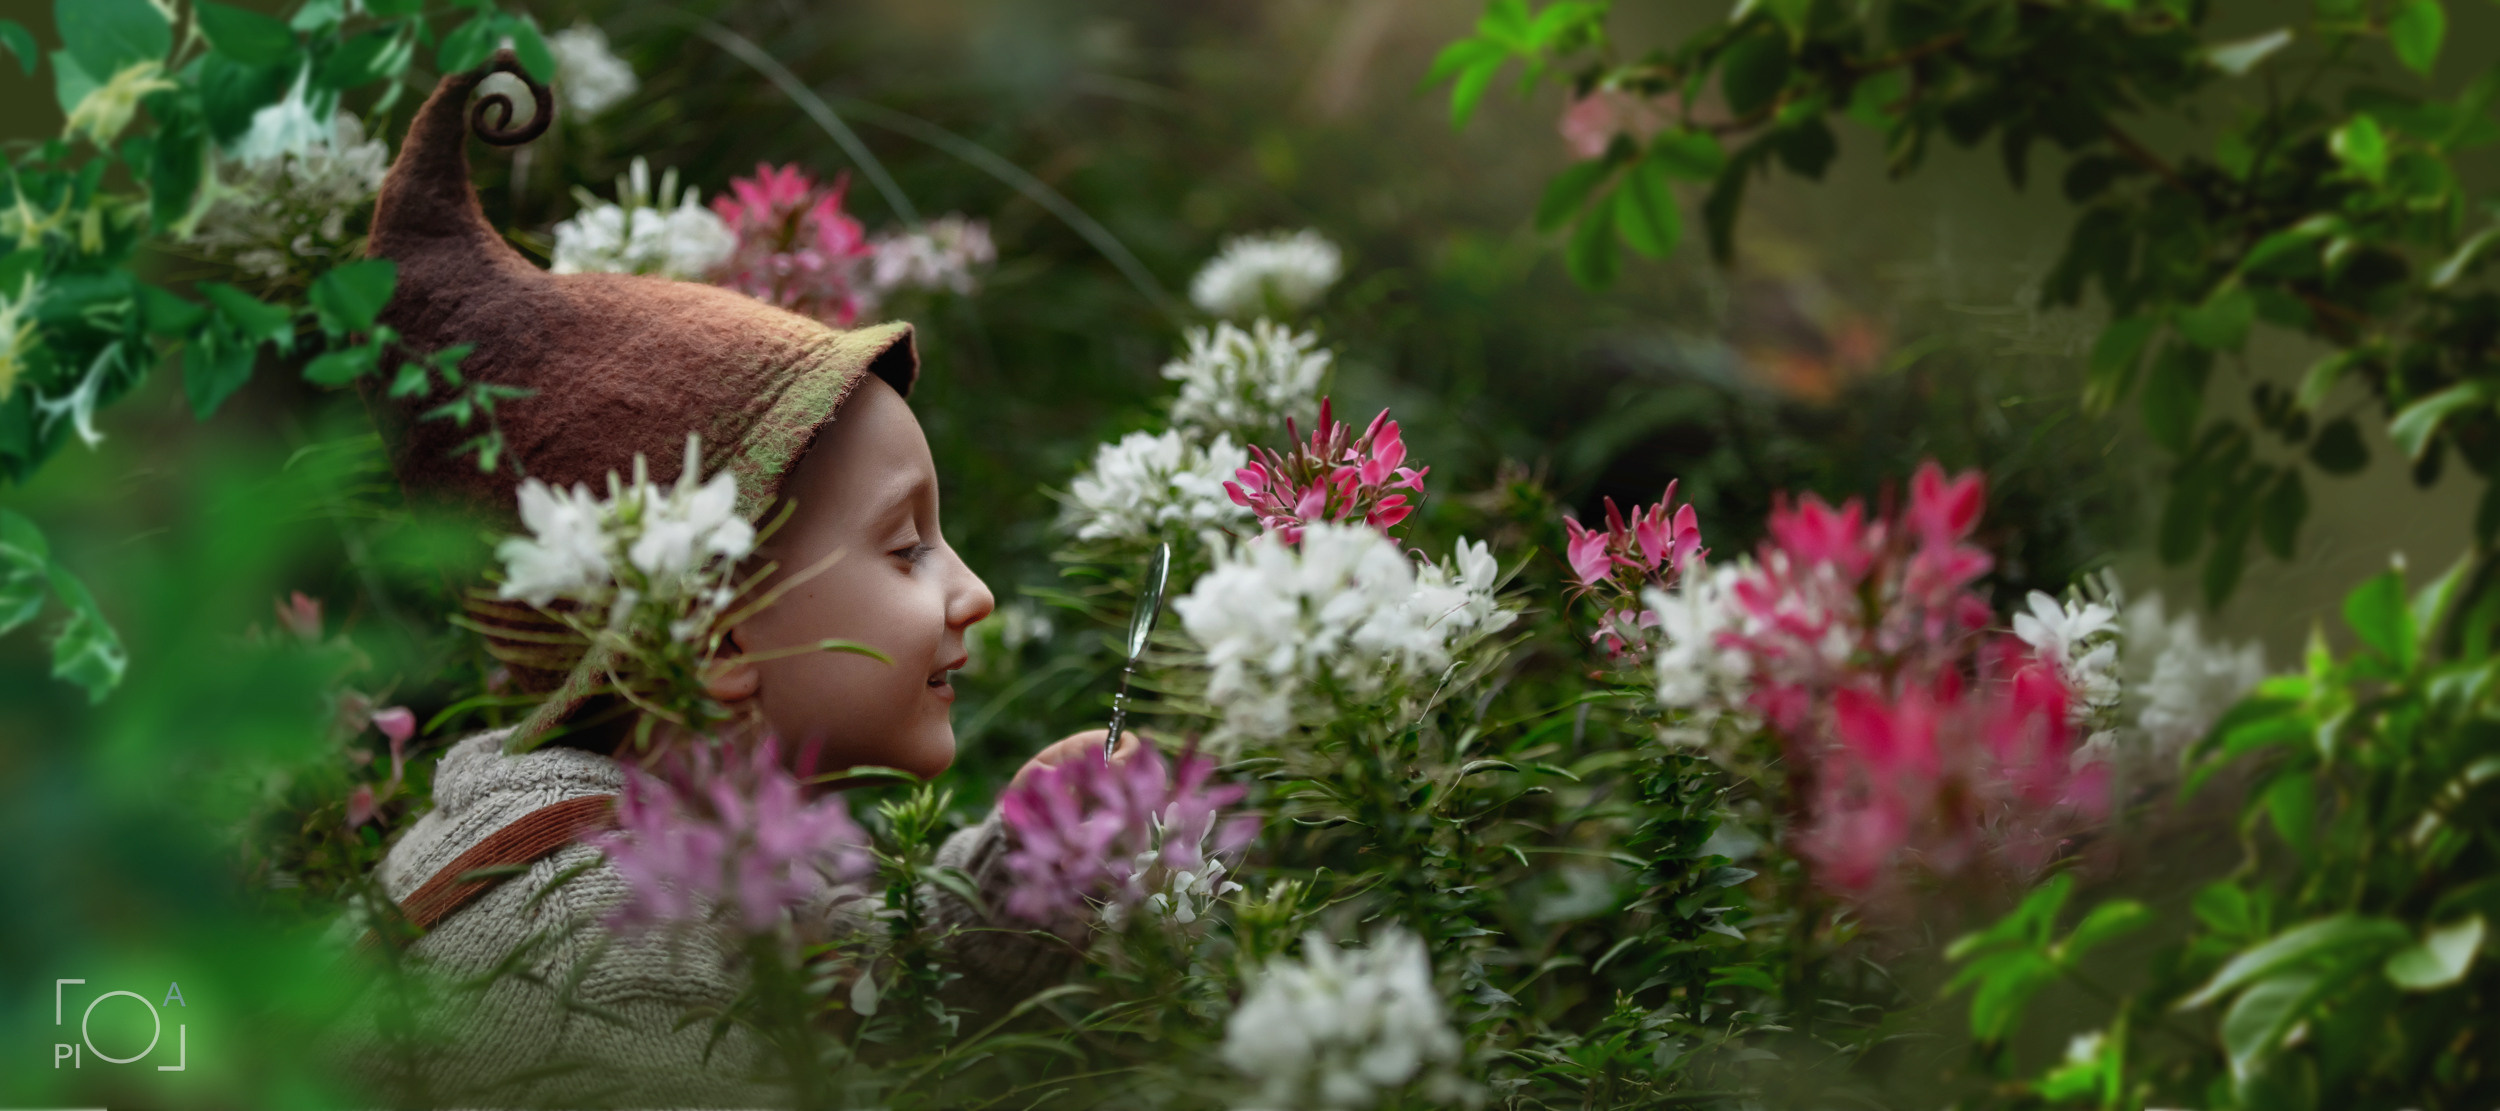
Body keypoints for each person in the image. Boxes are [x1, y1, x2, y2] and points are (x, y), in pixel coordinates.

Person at [325, 53, 1116, 1108]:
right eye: (906, 547)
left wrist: (1031, 873)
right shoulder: (593, 948)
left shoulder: (699, 844)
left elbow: (873, 971)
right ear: (717, 634)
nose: (973, 593)